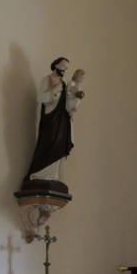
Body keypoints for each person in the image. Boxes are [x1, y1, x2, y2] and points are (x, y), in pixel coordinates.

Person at [23, 58, 85, 190]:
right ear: (55, 65)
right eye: (63, 66)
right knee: (48, 141)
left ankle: (55, 176)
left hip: (61, 120)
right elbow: (40, 97)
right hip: (50, 119)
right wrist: (54, 91)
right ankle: (39, 174)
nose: (64, 69)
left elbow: (67, 102)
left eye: (66, 68)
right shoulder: (47, 80)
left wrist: (74, 101)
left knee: (60, 144)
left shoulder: (64, 84)